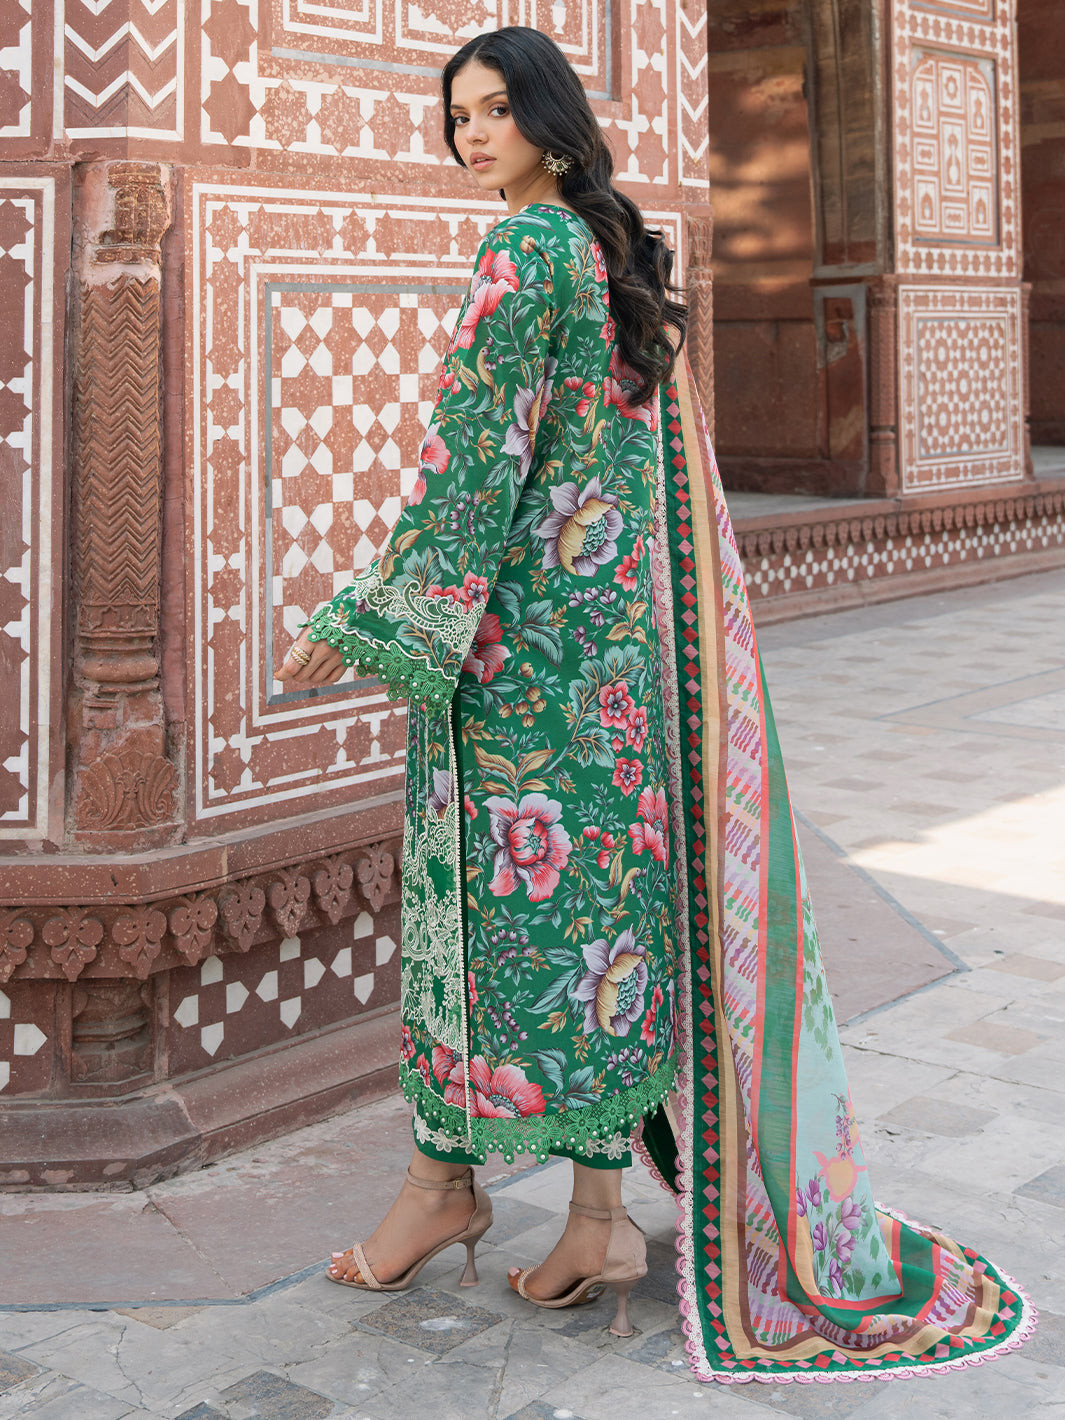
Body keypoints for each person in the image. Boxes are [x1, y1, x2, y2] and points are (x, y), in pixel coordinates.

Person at [278, 25, 1035, 1384]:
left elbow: (474, 456)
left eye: (494, 110)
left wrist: (366, 615)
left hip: (515, 664)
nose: (471, 136)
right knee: (597, 930)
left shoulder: (523, 252)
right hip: (618, 667)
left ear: (549, 117)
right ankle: (595, 1220)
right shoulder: (610, 251)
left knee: (479, 917)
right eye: (458, 115)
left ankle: (441, 1189)